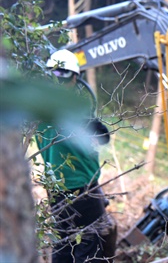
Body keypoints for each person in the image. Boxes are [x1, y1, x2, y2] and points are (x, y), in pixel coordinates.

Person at [36, 49, 113, 263]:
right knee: (91, 244)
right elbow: (103, 137)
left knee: (63, 244)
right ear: (75, 77)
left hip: (55, 189)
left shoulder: (38, 111)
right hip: (83, 187)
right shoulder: (74, 110)